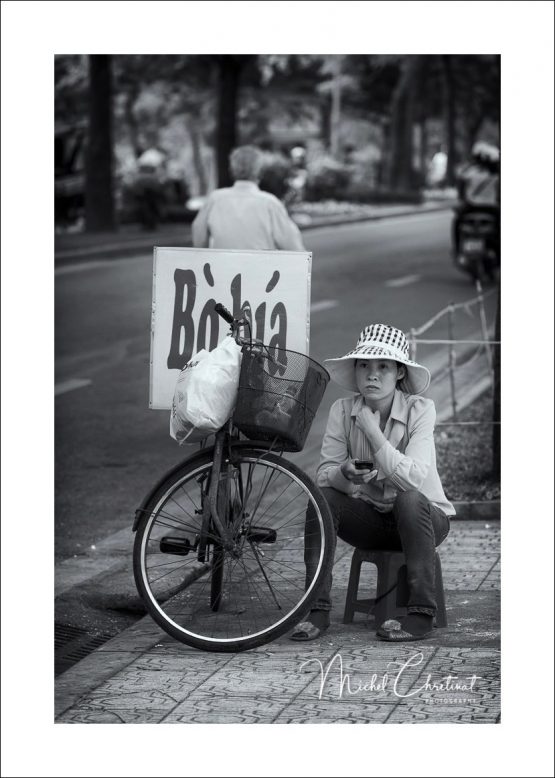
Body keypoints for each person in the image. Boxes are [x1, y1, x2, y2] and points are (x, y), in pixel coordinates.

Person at [290, 323, 455, 643]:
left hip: (424, 521)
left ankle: (422, 615)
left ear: (399, 373)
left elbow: (412, 479)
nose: (372, 375)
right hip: (373, 522)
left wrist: (372, 431)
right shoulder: (342, 410)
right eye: (364, 365)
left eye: (383, 367)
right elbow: (324, 474)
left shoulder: (421, 410)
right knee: (321, 499)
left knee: (409, 499)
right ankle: (316, 610)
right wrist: (345, 474)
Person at [192, 145, 305, 251]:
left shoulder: (215, 199)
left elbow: (198, 236)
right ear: (260, 172)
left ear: (231, 170)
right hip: (260, 265)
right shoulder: (270, 203)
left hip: (222, 265)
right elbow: (293, 246)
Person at [453, 141, 500, 256]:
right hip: (491, 208)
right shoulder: (495, 174)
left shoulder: (468, 172)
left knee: (457, 223)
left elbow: (461, 190)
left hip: (470, 207)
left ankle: (457, 249)